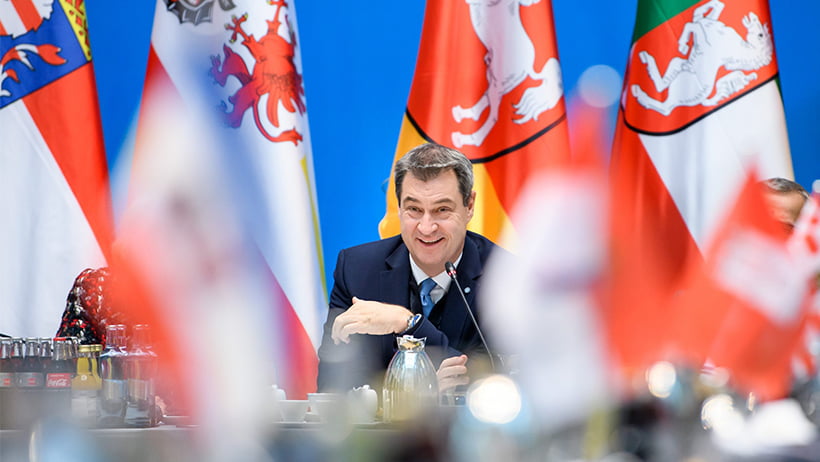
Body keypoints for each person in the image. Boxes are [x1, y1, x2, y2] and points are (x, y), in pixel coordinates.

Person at [316, 143, 502, 393]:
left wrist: (408, 323)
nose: (426, 228)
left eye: (442, 210)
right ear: (399, 207)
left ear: (469, 206)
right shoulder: (357, 271)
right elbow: (333, 388)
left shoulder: (504, 276)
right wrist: (417, 389)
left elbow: (495, 382)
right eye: (414, 209)